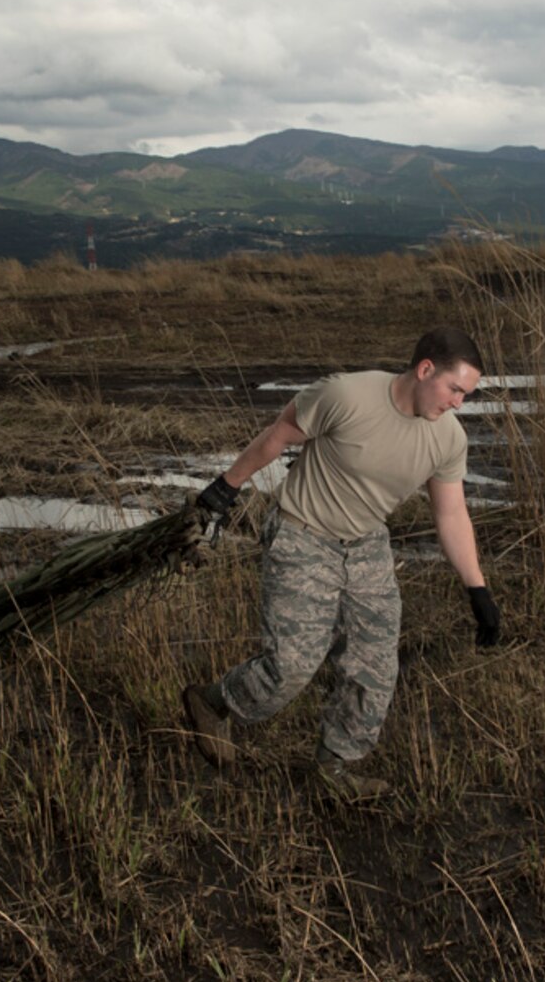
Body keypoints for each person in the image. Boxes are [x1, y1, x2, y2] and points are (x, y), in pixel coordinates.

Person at [181, 327, 502, 799]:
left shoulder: (448, 438)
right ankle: (212, 703)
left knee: (374, 666)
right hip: (302, 532)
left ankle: (334, 769)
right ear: (425, 369)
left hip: (367, 543)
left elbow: (450, 513)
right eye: (455, 389)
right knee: (291, 666)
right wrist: (225, 488)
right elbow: (277, 437)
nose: (458, 403)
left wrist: (478, 589)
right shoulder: (346, 394)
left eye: (467, 395)